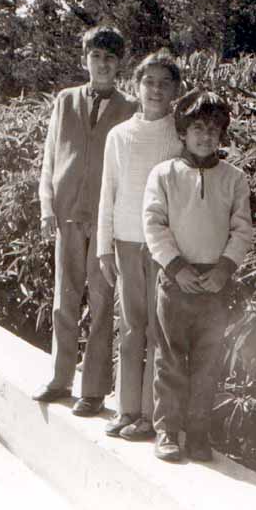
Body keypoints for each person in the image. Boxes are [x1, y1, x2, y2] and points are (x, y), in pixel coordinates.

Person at [143, 89, 253, 462]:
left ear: (221, 134)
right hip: (175, 281)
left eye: (213, 129)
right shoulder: (164, 174)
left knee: (208, 362)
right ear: (183, 132)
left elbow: (242, 229)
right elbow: (154, 224)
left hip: (215, 284)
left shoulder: (234, 178)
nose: (206, 136)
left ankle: (198, 434)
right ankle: (167, 431)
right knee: (171, 361)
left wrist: (224, 268)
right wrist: (176, 267)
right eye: (198, 128)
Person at [33, 25, 137, 417]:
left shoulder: (130, 108)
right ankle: (59, 379)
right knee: (64, 299)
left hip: (106, 221)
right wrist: (46, 206)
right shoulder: (65, 100)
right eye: (96, 56)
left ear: (120, 64)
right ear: (85, 60)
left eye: (110, 58)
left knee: (102, 302)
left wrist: (114, 221)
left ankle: (93, 390)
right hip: (67, 216)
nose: (102, 64)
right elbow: (50, 157)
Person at [97, 50, 182, 440]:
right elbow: (108, 192)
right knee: (130, 327)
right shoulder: (119, 135)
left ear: (176, 90)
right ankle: (125, 409)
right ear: (136, 85)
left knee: (158, 331)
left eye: (165, 83)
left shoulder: (179, 134)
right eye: (149, 82)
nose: (156, 90)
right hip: (126, 242)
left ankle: (150, 415)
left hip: (164, 247)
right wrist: (104, 247)